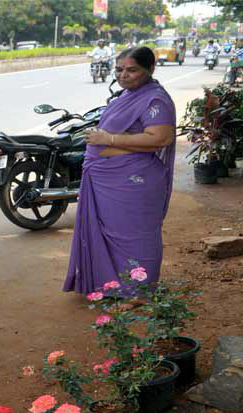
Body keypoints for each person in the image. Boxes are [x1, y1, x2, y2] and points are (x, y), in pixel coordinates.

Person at [63, 46, 176, 295]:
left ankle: (140, 292)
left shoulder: (154, 99)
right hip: (108, 182)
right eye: (119, 69)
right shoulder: (127, 95)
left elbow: (160, 138)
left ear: (150, 69)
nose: (123, 75)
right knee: (109, 235)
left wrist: (109, 140)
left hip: (134, 183)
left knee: (135, 238)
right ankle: (113, 286)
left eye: (132, 70)